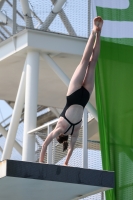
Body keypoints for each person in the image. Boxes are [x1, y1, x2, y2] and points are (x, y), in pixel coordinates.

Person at [39, 16, 103, 165]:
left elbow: (71, 148)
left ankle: (98, 34)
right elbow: (44, 145)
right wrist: (41, 161)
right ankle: (93, 32)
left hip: (83, 99)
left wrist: (67, 161)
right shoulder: (59, 129)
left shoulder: (74, 132)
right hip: (73, 96)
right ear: (59, 137)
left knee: (92, 63)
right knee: (85, 61)